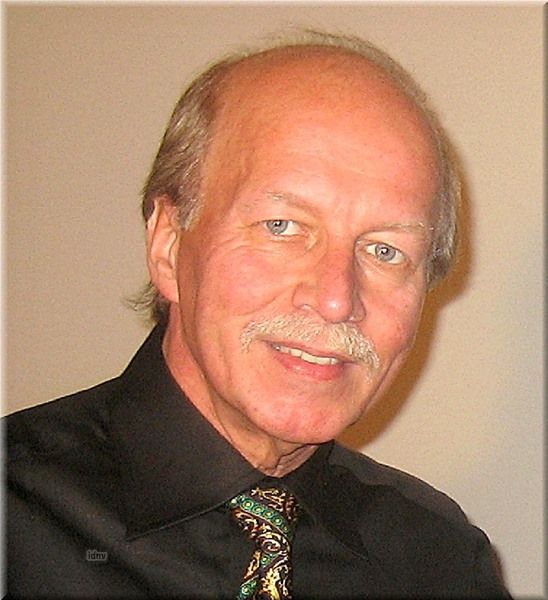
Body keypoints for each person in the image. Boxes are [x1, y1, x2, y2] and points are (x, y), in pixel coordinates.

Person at [6, 29, 511, 598]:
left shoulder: (438, 560)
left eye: (385, 251)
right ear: (169, 245)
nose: (336, 299)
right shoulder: (16, 521)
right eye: (282, 226)